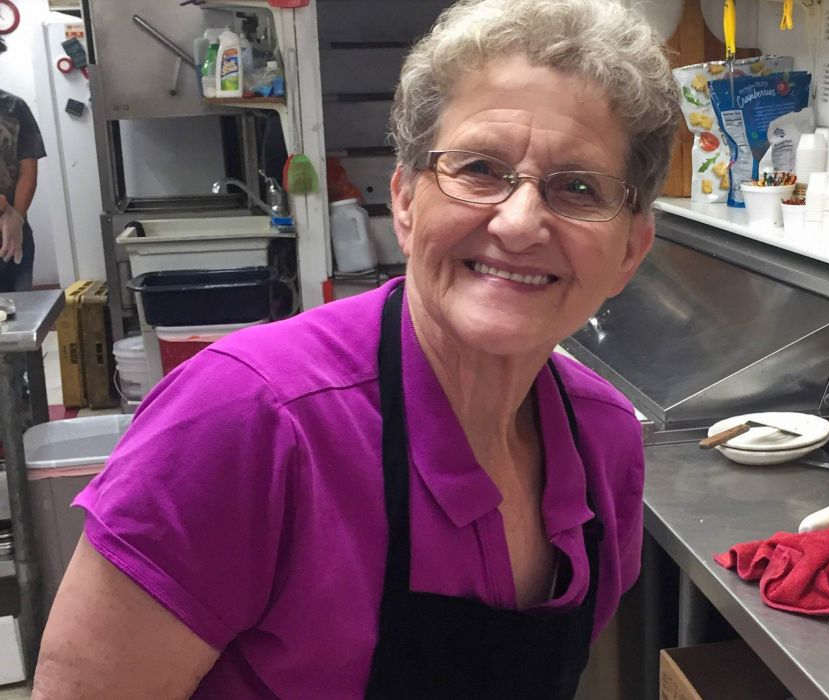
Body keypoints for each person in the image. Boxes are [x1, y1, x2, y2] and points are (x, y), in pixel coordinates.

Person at [34, 0, 679, 697]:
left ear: (631, 250)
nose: (520, 223)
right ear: (404, 202)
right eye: (480, 168)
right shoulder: (247, 419)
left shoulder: (603, 440)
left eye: (578, 187)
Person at [0, 40, 47, 292]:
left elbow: (28, 171)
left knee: (17, 309)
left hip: (12, 235)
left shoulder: (14, 107)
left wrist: (16, 217)